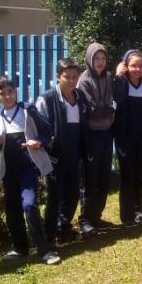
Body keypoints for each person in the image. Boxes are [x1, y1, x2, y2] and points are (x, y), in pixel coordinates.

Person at [0, 77, 60, 266]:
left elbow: (47, 131)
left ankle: (44, 250)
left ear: (16, 91)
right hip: (9, 171)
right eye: (2, 94)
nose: (7, 96)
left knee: (29, 205)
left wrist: (38, 142)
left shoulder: (27, 109)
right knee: (12, 210)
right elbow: (2, 147)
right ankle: (20, 248)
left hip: (28, 169)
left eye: (10, 92)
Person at [36, 58, 88, 245]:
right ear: (59, 77)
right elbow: (39, 126)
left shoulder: (79, 97)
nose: (72, 81)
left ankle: (64, 228)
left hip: (74, 153)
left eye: (75, 77)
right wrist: (47, 147)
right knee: (55, 194)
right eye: (67, 77)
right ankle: (49, 233)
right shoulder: (47, 98)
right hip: (55, 156)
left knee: (73, 192)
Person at [113, 50, 142, 227]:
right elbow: (117, 98)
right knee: (127, 176)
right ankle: (127, 216)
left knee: (139, 176)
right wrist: (118, 75)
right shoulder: (121, 83)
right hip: (125, 138)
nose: (137, 69)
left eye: (140, 66)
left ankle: (138, 211)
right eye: (133, 65)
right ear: (126, 66)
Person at [76, 42, 115, 237]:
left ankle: (96, 217)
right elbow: (91, 110)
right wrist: (108, 111)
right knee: (90, 179)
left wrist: (107, 111)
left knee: (103, 177)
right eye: (96, 58)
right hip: (91, 135)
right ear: (90, 60)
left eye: (103, 58)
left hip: (106, 133)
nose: (100, 62)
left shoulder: (108, 77)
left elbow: (109, 103)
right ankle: (85, 220)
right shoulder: (84, 80)